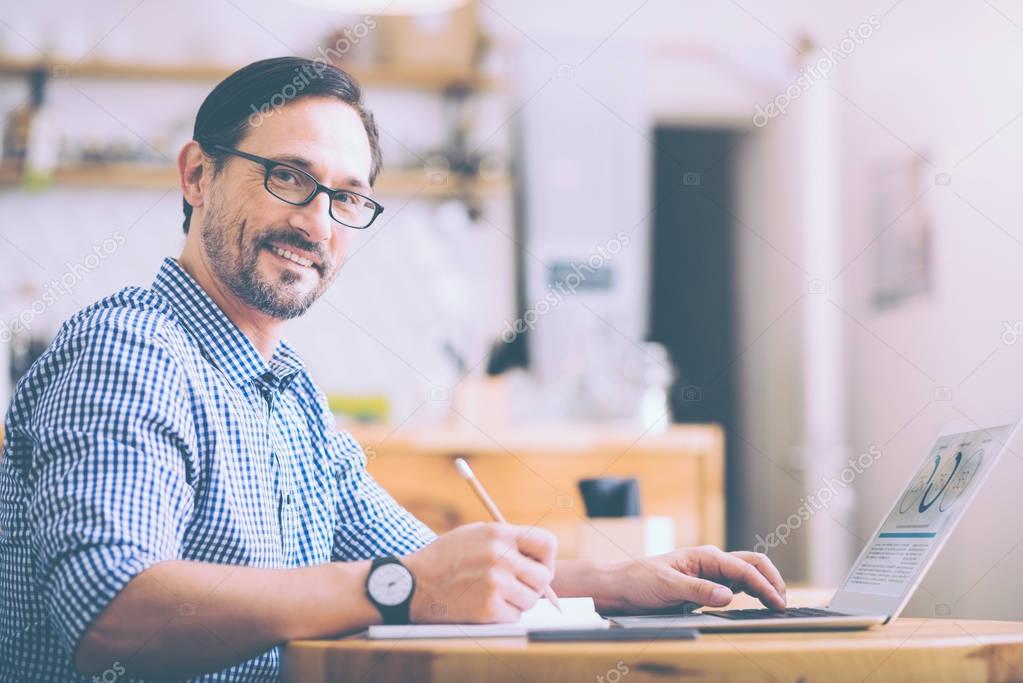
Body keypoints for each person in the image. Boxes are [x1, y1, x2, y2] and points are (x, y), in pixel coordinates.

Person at [0, 57, 786, 682]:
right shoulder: (131, 350)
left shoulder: (288, 395)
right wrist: (398, 586)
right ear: (197, 175)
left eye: (347, 197)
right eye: (289, 177)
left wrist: (626, 580)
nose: (316, 221)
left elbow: (425, 565)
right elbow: (110, 612)